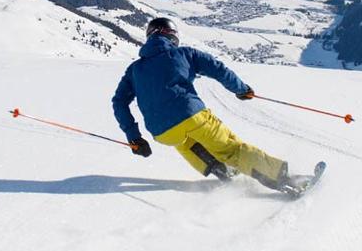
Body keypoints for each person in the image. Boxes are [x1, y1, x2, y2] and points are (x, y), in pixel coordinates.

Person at [112, 17, 296, 191]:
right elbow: (217, 69)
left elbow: (119, 102)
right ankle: (283, 178)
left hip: (162, 133)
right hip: (192, 115)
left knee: (186, 142)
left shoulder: (134, 70)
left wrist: (134, 138)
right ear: (171, 34)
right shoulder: (184, 53)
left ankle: (222, 170)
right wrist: (241, 89)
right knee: (231, 149)